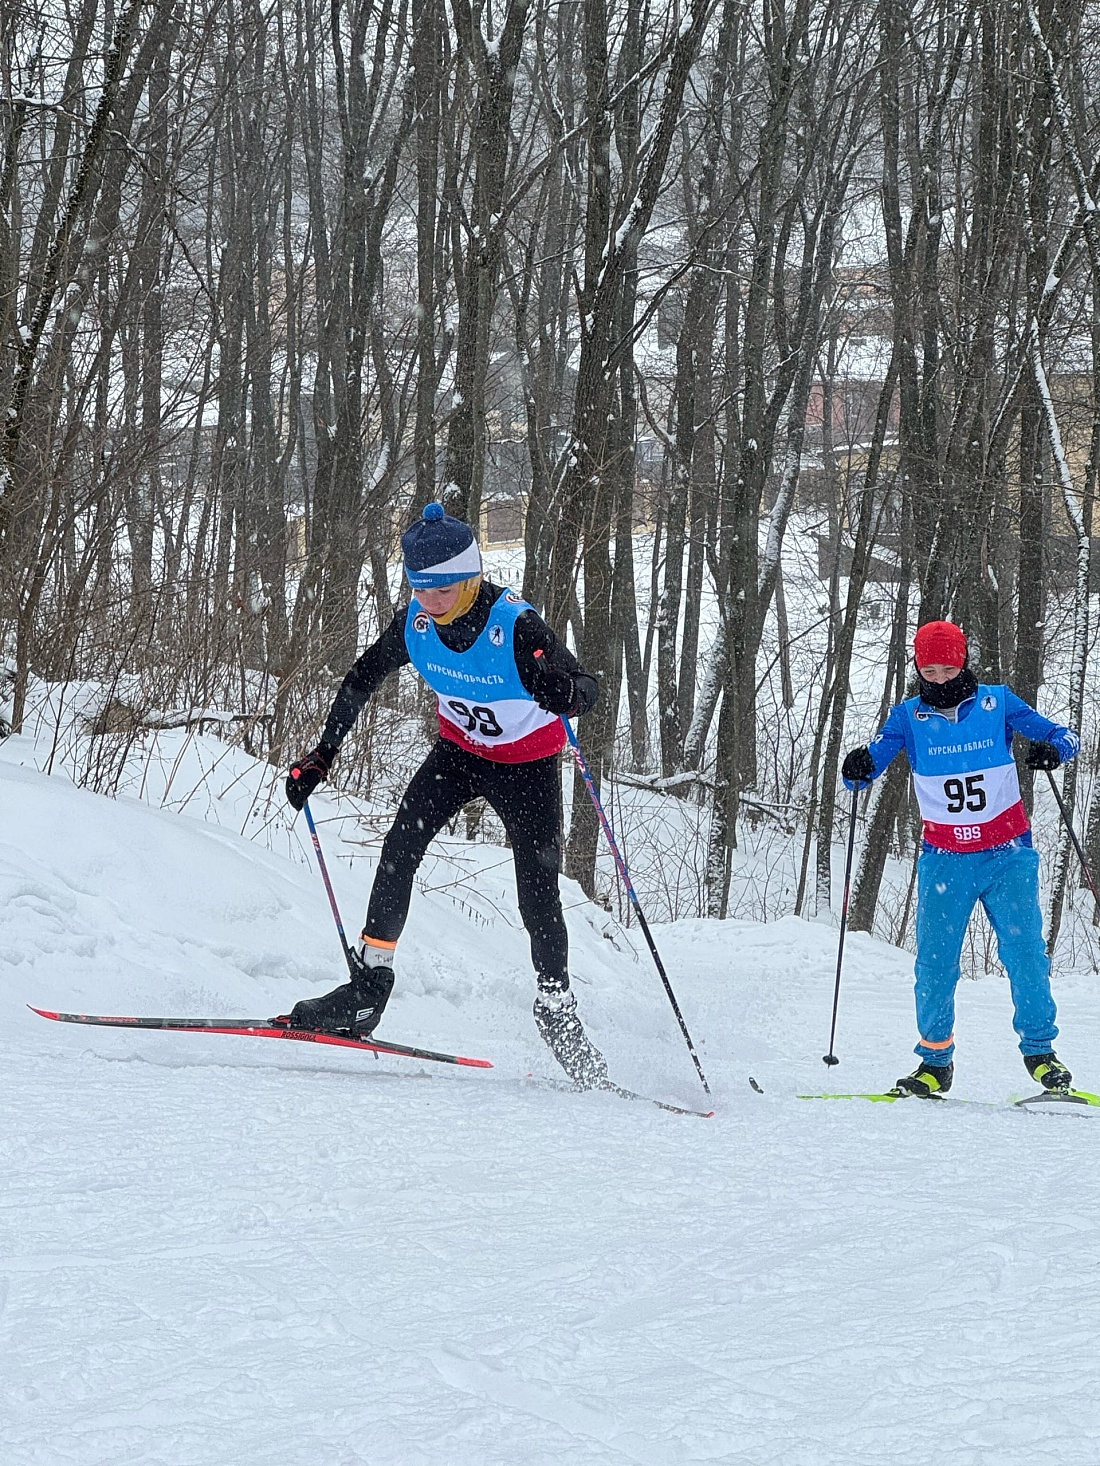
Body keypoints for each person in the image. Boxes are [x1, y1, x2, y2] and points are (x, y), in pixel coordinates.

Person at [284, 502, 608, 1087]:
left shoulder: (515, 626)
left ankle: (557, 1008)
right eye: (420, 588)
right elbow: (361, 678)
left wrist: (570, 694)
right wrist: (323, 755)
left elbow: (587, 685)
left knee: (537, 897)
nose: (431, 602)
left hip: (527, 768)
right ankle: (369, 987)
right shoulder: (415, 623)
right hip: (458, 755)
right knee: (398, 849)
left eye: (443, 589)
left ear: (472, 577)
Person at [842, 619, 1080, 1097]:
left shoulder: (998, 702)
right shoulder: (907, 717)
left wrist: (1053, 750)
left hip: (1006, 854)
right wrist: (857, 767)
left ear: (963, 662)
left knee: (1025, 955)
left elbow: (1066, 736)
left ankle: (1041, 1054)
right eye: (929, 671)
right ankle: (935, 1061)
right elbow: (864, 772)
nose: (939, 679)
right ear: (917, 668)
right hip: (946, 859)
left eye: (948, 669)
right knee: (935, 963)